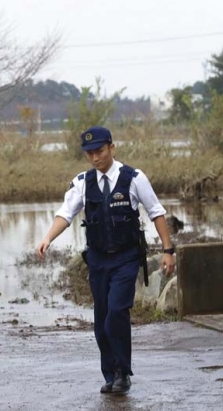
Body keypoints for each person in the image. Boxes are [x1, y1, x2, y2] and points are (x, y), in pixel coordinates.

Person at [37, 126, 176, 395]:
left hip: (126, 258)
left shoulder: (134, 178)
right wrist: (47, 238)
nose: (95, 158)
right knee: (101, 321)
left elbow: (156, 212)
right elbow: (65, 214)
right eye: (89, 153)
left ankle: (123, 371)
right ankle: (110, 373)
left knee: (116, 313)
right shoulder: (82, 183)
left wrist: (168, 250)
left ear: (112, 147)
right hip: (98, 260)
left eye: (99, 151)